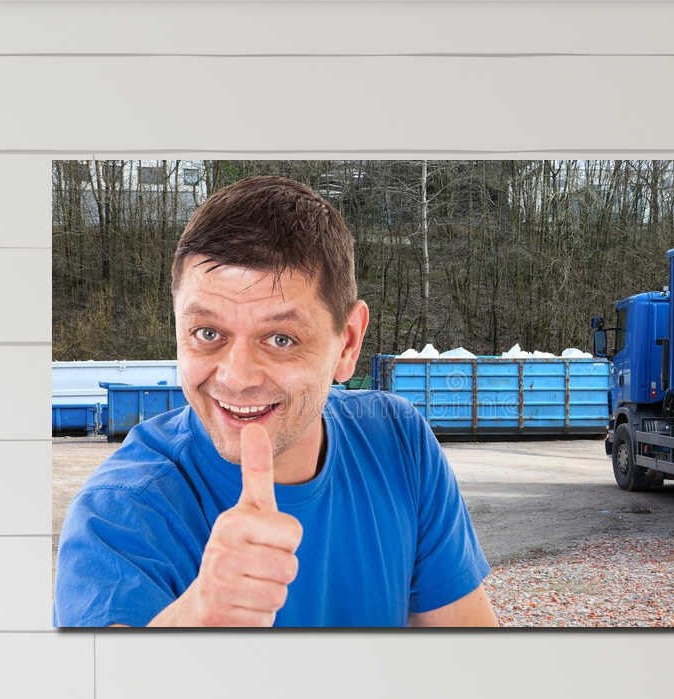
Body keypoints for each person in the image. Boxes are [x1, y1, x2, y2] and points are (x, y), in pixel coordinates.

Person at [54, 175, 499, 628]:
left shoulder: (397, 441)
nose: (237, 377)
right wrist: (195, 621)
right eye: (207, 334)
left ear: (347, 344)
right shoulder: (121, 511)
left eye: (281, 338)